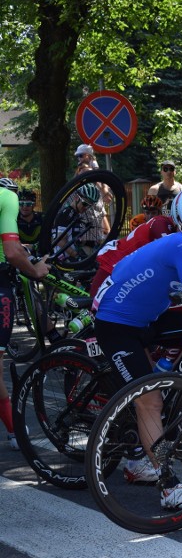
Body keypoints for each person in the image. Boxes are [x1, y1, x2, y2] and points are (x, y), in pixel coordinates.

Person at [93, 194, 182, 509]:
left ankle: (144, 451)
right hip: (116, 323)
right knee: (150, 399)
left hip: (143, 319)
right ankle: (168, 486)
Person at [0, 182, 50, 449]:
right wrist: (35, 271)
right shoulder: (5, 196)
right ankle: (15, 431)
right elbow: (11, 251)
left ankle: (13, 429)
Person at [90, 192, 182, 296]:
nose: (150, 216)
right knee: (94, 305)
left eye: (153, 212)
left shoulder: (164, 225)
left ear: (159, 212)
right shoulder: (158, 222)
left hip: (133, 268)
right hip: (115, 260)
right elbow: (168, 251)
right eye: (147, 212)